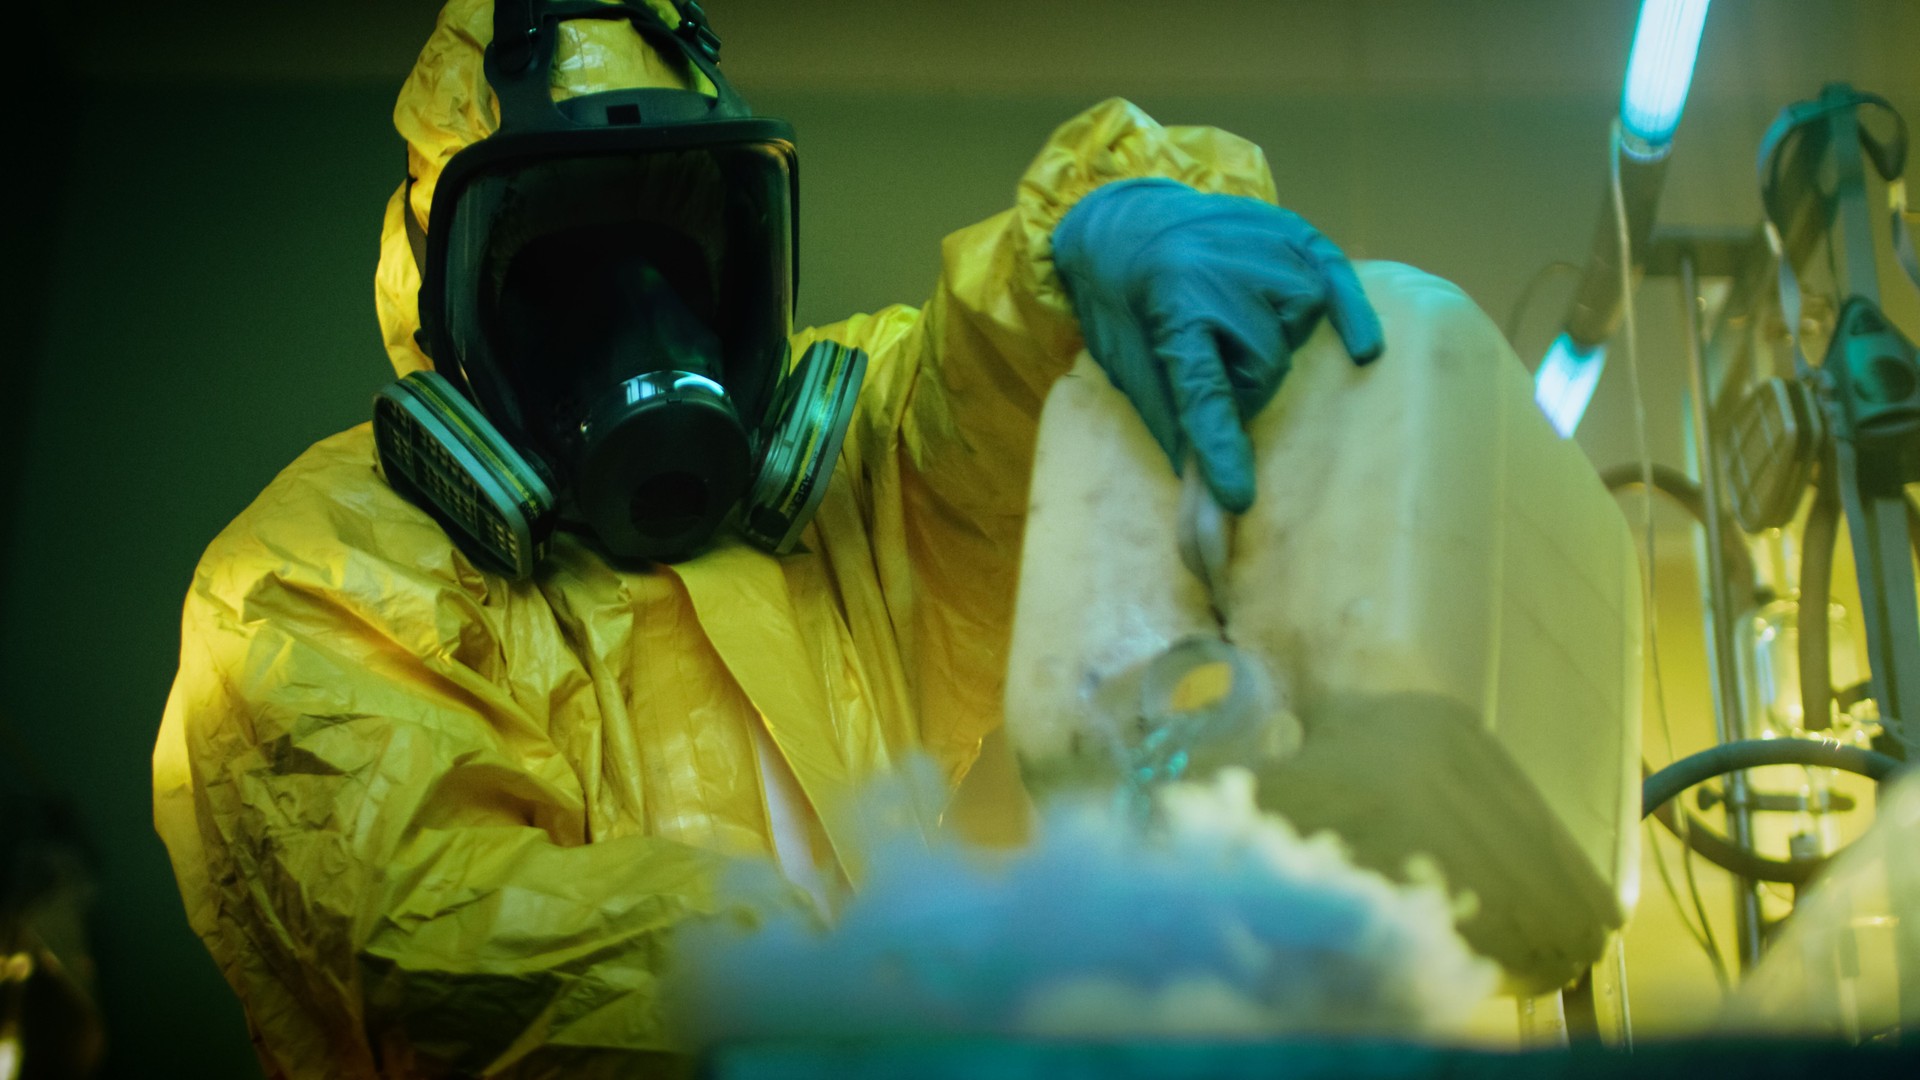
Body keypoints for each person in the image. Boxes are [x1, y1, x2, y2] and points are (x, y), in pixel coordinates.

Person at [151, 0, 1381, 1075]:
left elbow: (982, 396)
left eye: (679, 254)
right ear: (445, 292)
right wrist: (881, 992)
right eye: (559, 267)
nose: (641, 323)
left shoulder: (830, 494)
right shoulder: (310, 573)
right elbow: (425, 943)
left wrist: (1084, 254)